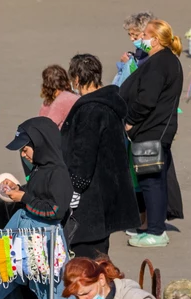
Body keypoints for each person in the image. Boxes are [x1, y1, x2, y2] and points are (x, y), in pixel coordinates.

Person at [0, 117, 77, 299]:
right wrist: (17, 189)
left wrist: (25, 198)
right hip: (31, 244)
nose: (24, 154)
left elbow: (55, 210)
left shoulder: (58, 173)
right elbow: (35, 195)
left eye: (26, 148)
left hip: (47, 247)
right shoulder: (40, 170)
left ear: (41, 145)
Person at [61, 54, 140, 258]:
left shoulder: (90, 109)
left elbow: (83, 154)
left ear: (77, 79)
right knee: (100, 252)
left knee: (87, 257)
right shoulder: (109, 103)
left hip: (92, 197)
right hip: (108, 189)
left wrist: (74, 188)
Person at [119, 19, 183, 248]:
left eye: (146, 34)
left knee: (150, 181)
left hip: (150, 131)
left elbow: (147, 99)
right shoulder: (163, 60)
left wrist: (130, 122)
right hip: (154, 130)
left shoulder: (160, 63)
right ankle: (155, 227)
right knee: (153, 179)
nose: (142, 38)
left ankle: (156, 231)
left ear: (155, 40)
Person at [113, 11, 155, 88]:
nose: (132, 39)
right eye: (130, 35)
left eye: (136, 35)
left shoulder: (152, 53)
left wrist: (128, 63)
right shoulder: (141, 50)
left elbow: (139, 76)